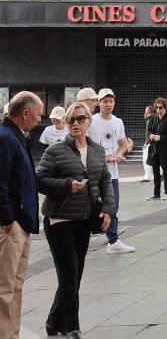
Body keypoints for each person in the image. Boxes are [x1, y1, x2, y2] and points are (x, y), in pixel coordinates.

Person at [36, 102, 114, 339]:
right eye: (71, 120)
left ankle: (52, 323)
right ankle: (71, 327)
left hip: (84, 219)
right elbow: (39, 180)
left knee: (75, 274)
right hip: (59, 220)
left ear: (89, 121)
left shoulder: (97, 151)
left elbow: (105, 182)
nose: (75, 124)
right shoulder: (55, 151)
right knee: (69, 273)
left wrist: (108, 209)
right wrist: (66, 186)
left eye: (80, 119)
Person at [0, 92, 41, 339]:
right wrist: (7, 220)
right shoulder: (6, 138)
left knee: (15, 286)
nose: (38, 121)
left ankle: (10, 335)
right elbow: (0, 182)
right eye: (37, 116)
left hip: (20, 224)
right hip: (11, 225)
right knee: (5, 288)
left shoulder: (16, 136)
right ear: (25, 113)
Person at [88, 88, 134, 254]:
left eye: (111, 101)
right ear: (98, 103)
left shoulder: (118, 122)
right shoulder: (91, 121)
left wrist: (119, 154)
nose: (108, 104)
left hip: (111, 172)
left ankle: (113, 240)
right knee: (90, 205)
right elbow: (84, 143)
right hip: (93, 171)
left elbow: (123, 144)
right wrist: (99, 157)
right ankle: (83, 237)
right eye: (105, 101)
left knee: (112, 204)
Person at [145, 98, 167, 201]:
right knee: (155, 171)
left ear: (165, 108)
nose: (158, 109)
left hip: (164, 148)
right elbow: (149, 129)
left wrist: (161, 137)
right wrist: (150, 136)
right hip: (154, 148)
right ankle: (156, 193)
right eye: (156, 107)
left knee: (165, 169)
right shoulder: (153, 118)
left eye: (160, 108)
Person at [140, 106, 153, 182]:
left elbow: (150, 132)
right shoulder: (148, 119)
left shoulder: (151, 119)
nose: (145, 110)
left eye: (146, 109)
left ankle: (147, 176)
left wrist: (146, 142)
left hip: (149, 143)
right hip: (149, 142)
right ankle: (161, 173)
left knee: (146, 159)